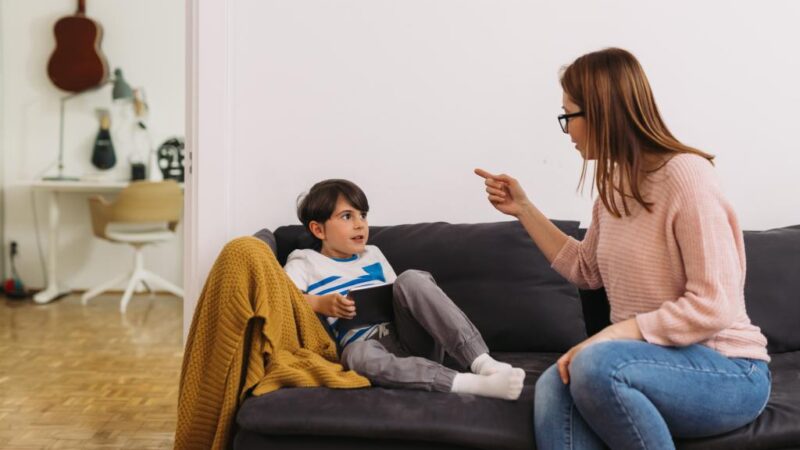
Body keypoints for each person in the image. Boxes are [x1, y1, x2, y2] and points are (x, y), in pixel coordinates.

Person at [475, 48, 771, 449]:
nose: (569, 131)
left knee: (595, 364)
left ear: (600, 112)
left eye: (569, 116)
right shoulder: (613, 187)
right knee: (553, 384)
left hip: (728, 370)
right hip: (643, 366)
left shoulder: (686, 176)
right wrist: (524, 209)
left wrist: (611, 336)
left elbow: (714, 303)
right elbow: (585, 269)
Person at [283, 179, 526, 400]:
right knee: (355, 355)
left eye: (363, 215)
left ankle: (482, 362)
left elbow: (400, 296)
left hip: (410, 340)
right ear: (318, 230)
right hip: (370, 350)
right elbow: (283, 301)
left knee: (409, 279)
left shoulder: (373, 254)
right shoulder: (304, 261)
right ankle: (468, 383)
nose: (360, 225)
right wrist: (320, 304)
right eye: (347, 216)